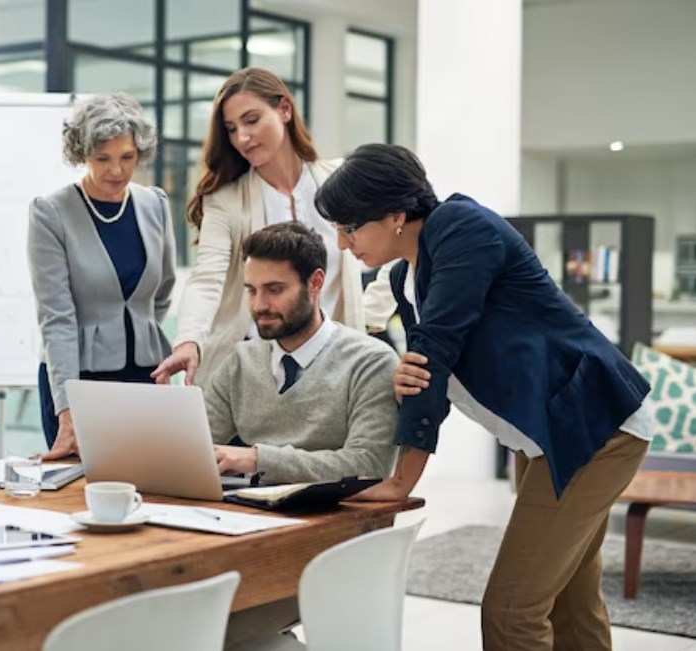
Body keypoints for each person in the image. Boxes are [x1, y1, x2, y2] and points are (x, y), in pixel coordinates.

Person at [314, 143, 652, 651]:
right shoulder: (408, 277)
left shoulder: (460, 226)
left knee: (512, 612)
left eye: (350, 227)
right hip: (544, 439)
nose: (342, 244)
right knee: (570, 606)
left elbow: (437, 351)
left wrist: (401, 481)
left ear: (396, 215)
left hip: (593, 424)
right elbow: (430, 370)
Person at [151, 67, 396, 388]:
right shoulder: (225, 200)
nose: (242, 137)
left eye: (251, 120)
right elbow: (207, 278)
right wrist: (188, 340)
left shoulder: (338, 178)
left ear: (284, 109)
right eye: (231, 128)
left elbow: (398, 242)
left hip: (334, 371)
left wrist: (368, 316)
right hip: (252, 372)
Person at [27, 93, 176, 459]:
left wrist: (138, 333)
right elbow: (57, 318)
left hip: (145, 377)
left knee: (152, 485)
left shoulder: (154, 204)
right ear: (82, 155)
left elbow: (163, 291)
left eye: (127, 157)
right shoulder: (51, 213)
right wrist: (68, 411)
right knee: (80, 494)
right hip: (79, 383)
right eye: (102, 158)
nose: (116, 170)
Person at [205, 222, 399, 484]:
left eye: (275, 290)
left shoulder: (371, 363)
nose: (259, 305)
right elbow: (193, 449)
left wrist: (257, 459)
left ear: (315, 283)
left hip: (336, 518)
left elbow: (369, 464)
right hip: (248, 515)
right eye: (252, 290)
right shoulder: (241, 361)